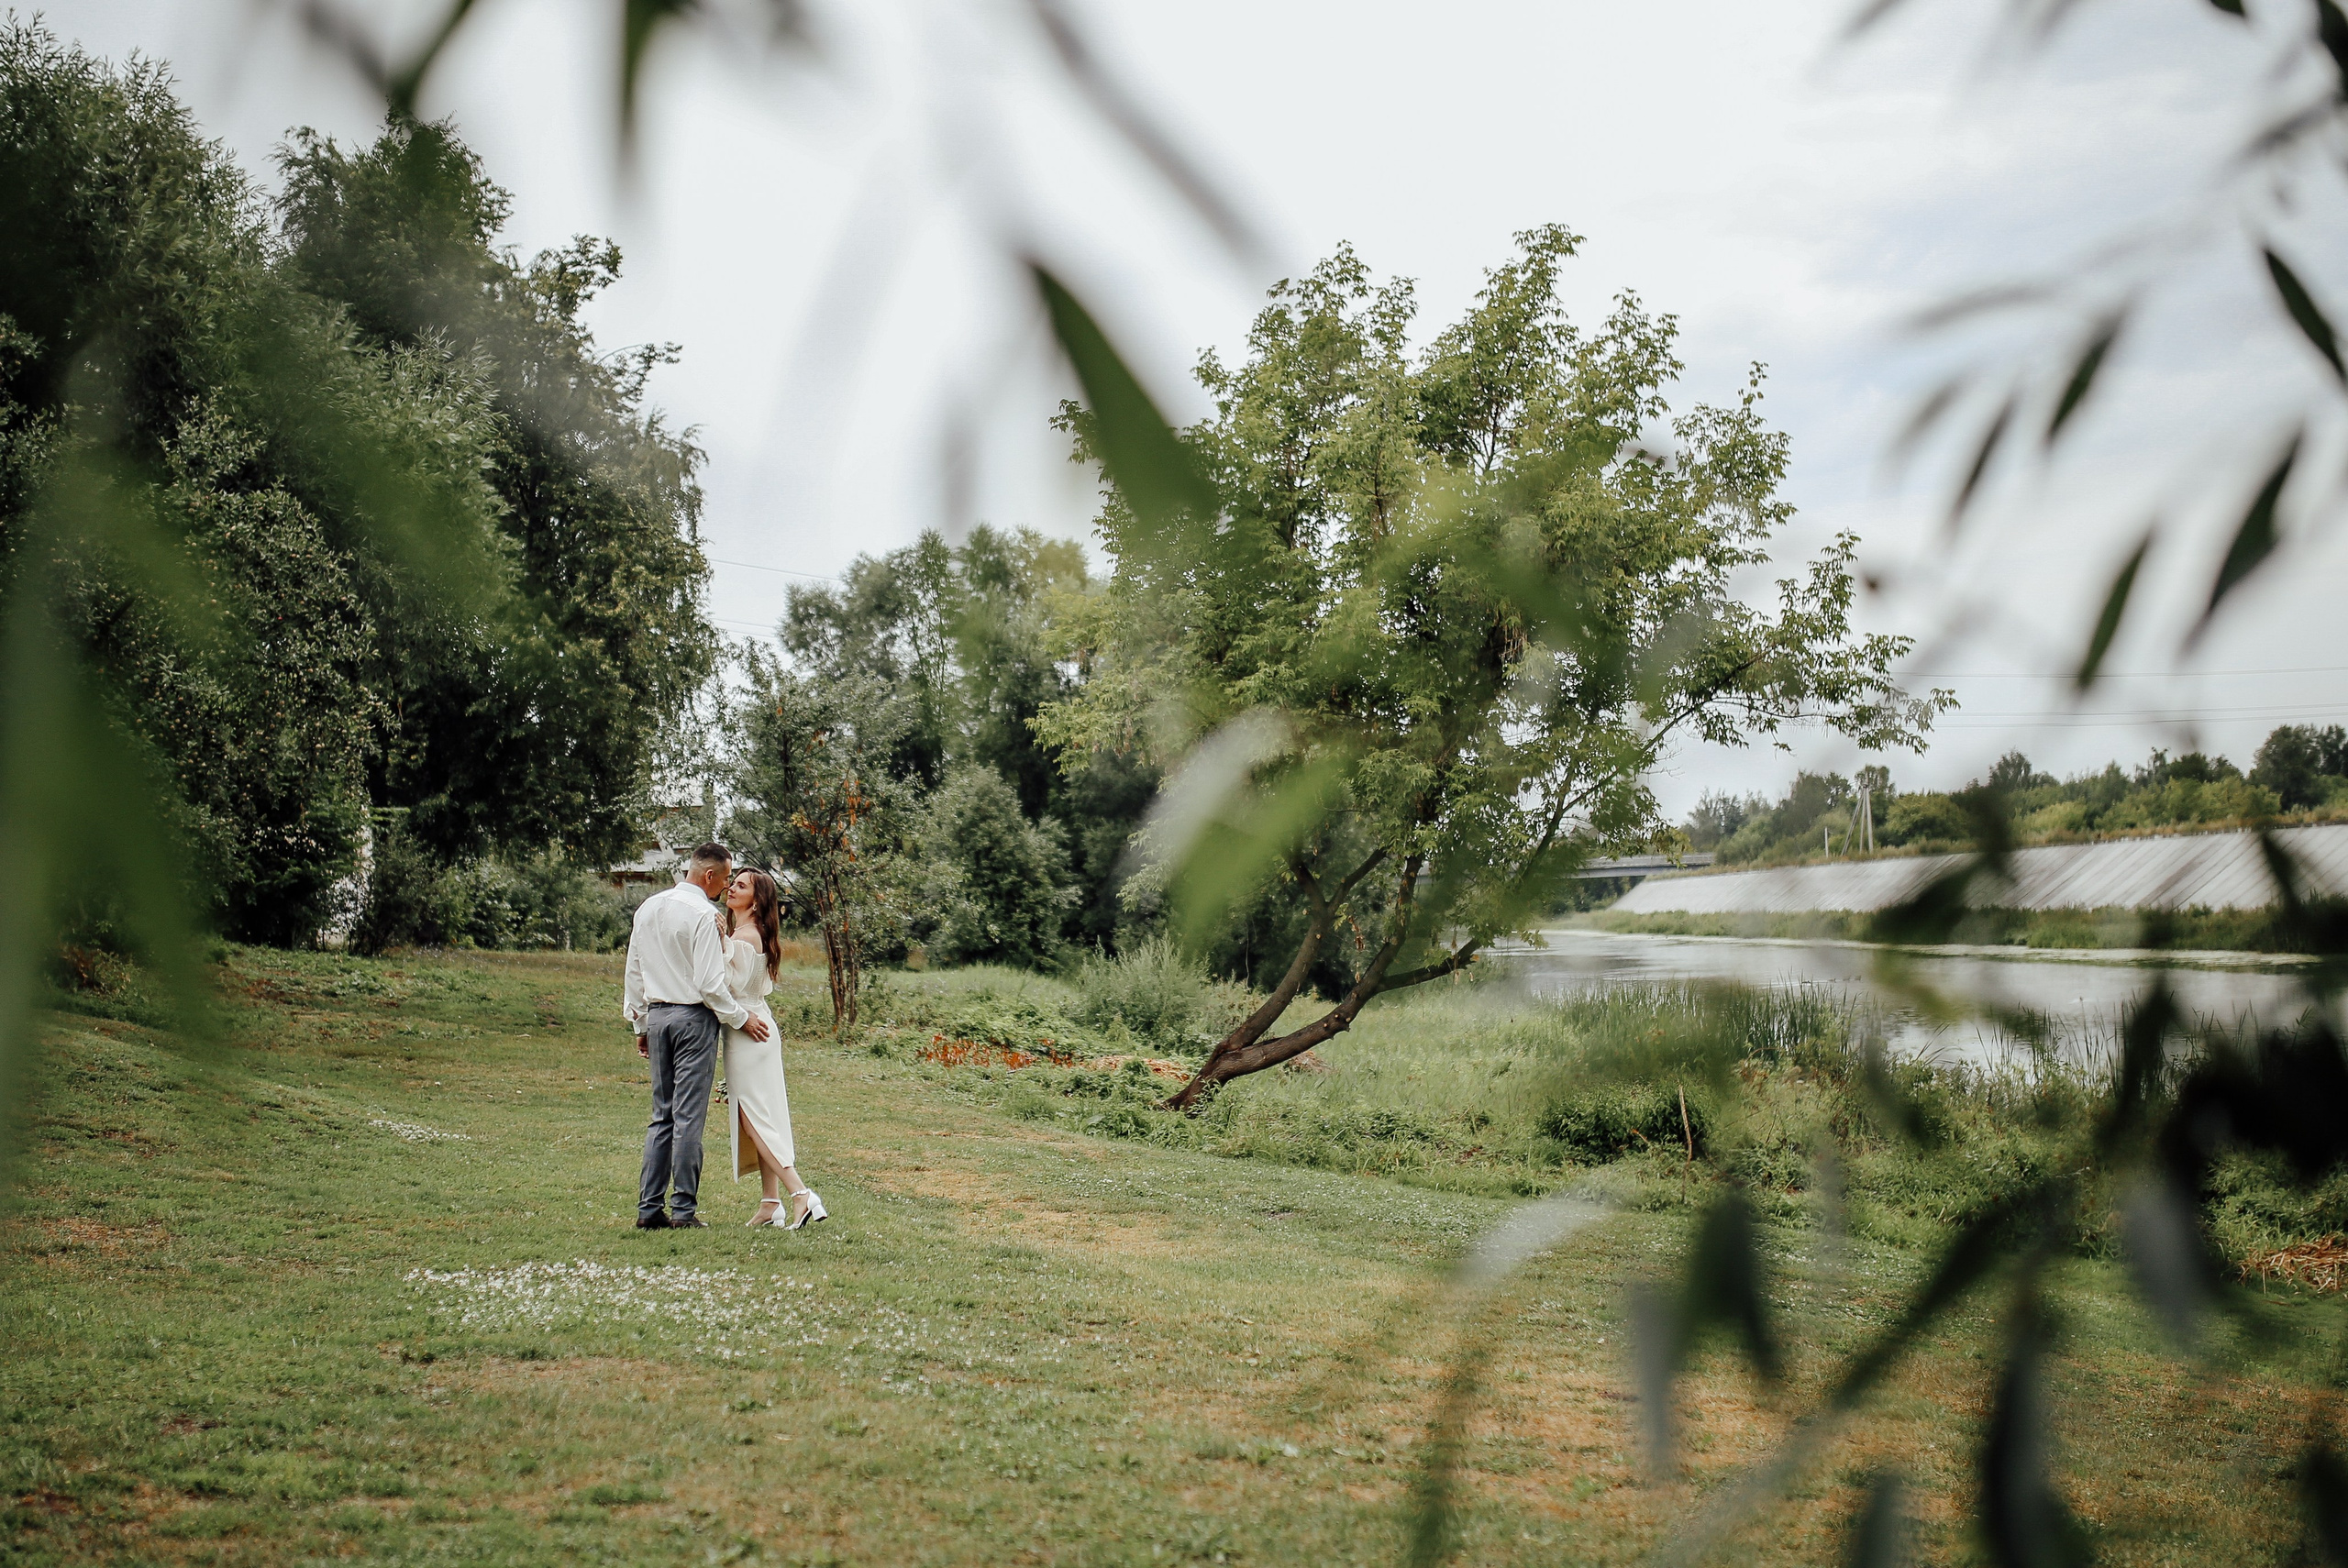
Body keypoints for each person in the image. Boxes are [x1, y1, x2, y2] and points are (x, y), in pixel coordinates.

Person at [621, 842, 769, 1230]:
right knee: (688, 1117)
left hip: (656, 1016)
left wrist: (640, 1025)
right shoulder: (704, 914)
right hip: (692, 1020)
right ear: (709, 876)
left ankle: (648, 1209)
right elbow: (710, 984)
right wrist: (741, 1019)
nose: (725, 888)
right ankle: (684, 1211)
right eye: (725, 879)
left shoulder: (648, 907)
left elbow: (634, 971)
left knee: (661, 1116)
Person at [718, 868, 826, 1229]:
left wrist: (718, 945)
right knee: (762, 1116)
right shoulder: (749, 934)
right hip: (755, 1029)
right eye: (733, 883)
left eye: (741, 886)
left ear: (757, 899)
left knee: (754, 1118)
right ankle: (770, 1203)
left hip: (749, 1032)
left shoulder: (744, 938)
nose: (732, 888)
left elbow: (723, 987)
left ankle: (800, 1194)